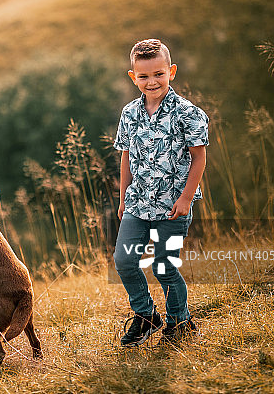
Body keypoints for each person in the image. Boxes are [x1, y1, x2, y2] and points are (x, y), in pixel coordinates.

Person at [112, 38, 209, 347]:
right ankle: (145, 316)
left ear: (171, 72)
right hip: (137, 204)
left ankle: (181, 322)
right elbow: (126, 156)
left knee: (163, 266)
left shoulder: (187, 113)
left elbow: (199, 157)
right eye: (143, 76)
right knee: (125, 261)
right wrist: (123, 197)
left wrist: (185, 199)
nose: (151, 81)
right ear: (133, 77)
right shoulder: (129, 113)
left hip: (172, 206)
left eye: (158, 74)